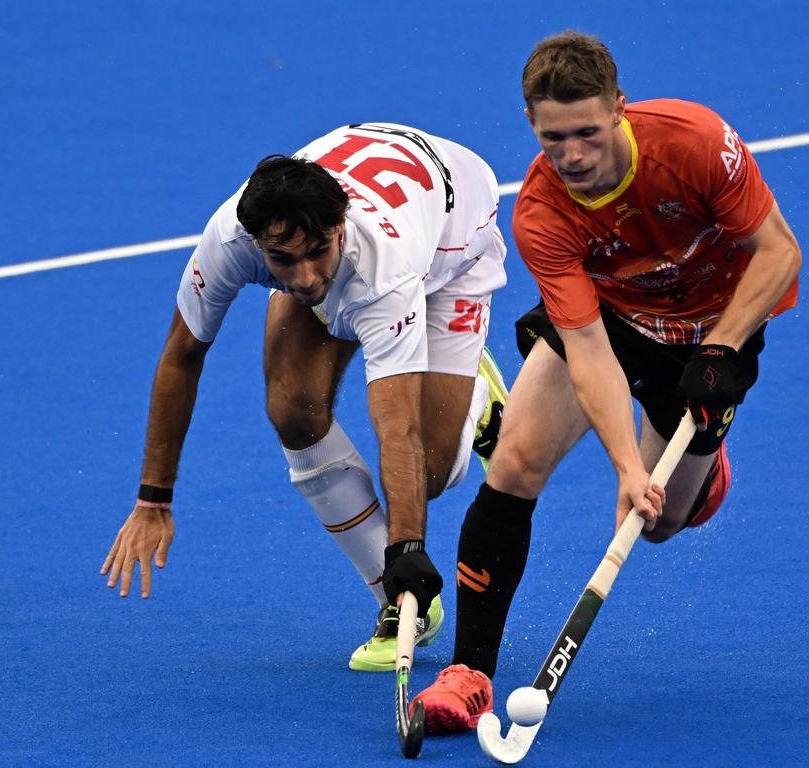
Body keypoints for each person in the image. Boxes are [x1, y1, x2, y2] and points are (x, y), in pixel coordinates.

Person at [412, 31, 802, 732]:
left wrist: (719, 348)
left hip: (710, 329)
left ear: (619, 107)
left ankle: (702, 478)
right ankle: (468, 673)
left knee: (658, 526)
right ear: (532, 123)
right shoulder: (541, 211)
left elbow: (778, 251)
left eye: (588, 132)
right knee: (516, 461)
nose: (573, 156)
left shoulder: (692, 142)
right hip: (612, 317)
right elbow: (588, 346)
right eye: (553, 138)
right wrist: (625, 466)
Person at [99, 123, 510, 672]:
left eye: (317, 251)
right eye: (283, 260)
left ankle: (475, 395)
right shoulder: (232, 239)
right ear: (257, 243)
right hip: (380, 195)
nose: (305, 275)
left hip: (452, 244)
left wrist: (407, 549)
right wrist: (153, 500)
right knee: (292, 407)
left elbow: (397, 430)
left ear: (340, 225)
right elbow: (181, 356)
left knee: (430, 473)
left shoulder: (386, 274)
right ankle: (399, 607)